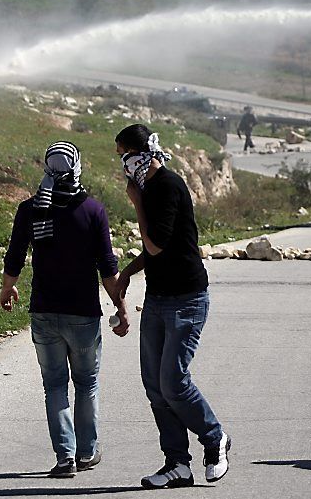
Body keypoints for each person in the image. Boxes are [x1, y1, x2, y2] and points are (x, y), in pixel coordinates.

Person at [0, 141, 129, 478]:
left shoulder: (31, 208)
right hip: (83, 314)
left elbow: (14, 257)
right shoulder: (92, 210)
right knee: (86, 384)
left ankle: (65, 458)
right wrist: (121, 306)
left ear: (47, 168)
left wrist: (7, 286)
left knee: (54, 386)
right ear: (77, 167)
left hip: (44, 313)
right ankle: (87, 453)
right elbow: (107, 266)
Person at [114, 124, 231, 488]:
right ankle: (177, 464)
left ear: (144, 152)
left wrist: (136, 206)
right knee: (154, 386)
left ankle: (215, 439)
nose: (123, 163)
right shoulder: (150, 189)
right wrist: (128, 274)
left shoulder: (166, 187)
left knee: (173, 382)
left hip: (186, 299)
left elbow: (155, 246)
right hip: (158, 298)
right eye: (120, 157)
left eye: (126, 155)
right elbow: (151, 255)